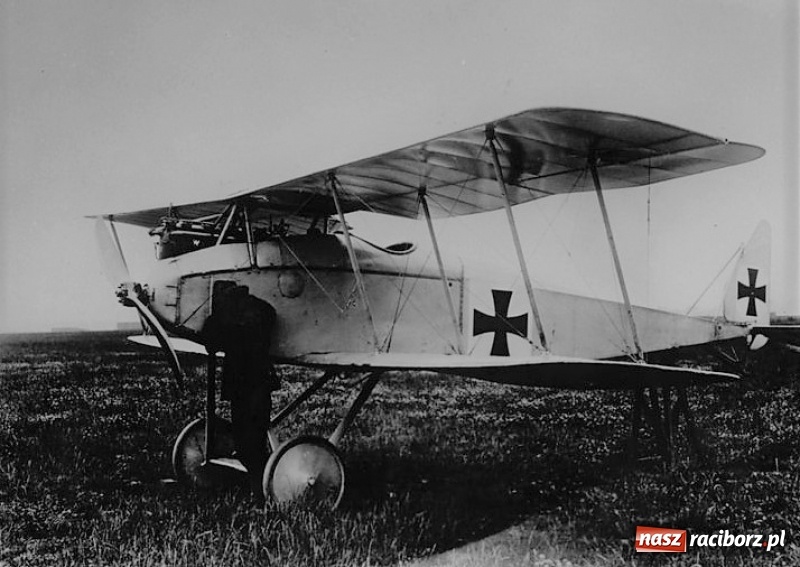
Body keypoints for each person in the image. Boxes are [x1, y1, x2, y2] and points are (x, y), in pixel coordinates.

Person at [202, 283, 279, 496]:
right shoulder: (257, 312)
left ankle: (263, 489)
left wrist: (218, 318)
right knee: (249, 439)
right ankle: (258, 483)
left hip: (252, 384)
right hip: (249, 384)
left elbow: (211, 340)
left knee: (250, 441)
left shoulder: (241, 317)